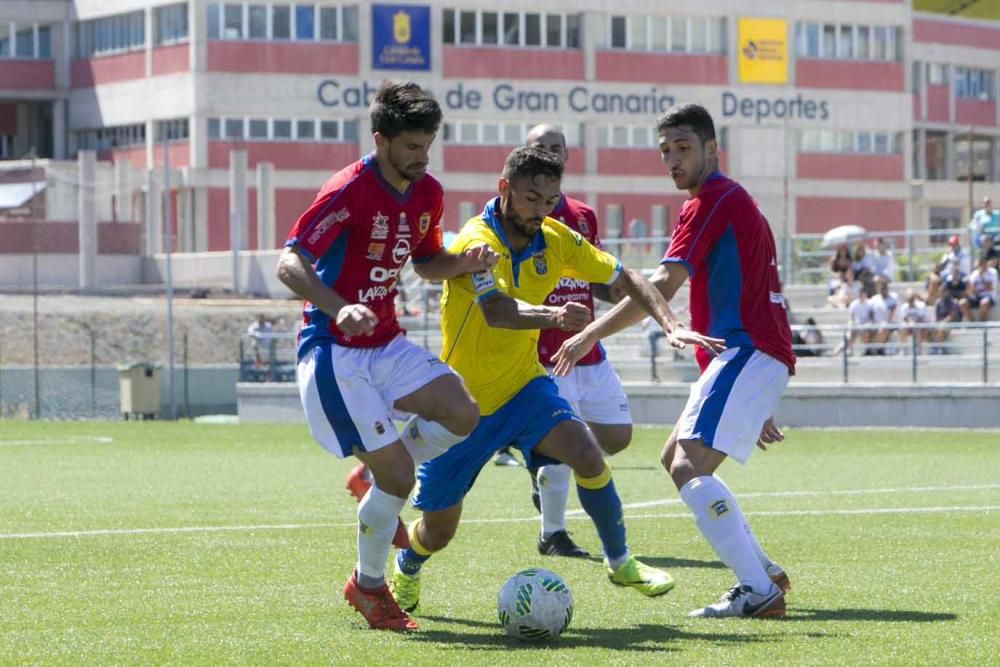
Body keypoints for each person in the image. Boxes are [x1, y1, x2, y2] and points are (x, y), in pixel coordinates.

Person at [389, 146, 725, 614]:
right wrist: (554, 315)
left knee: (586, 451)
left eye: (550, 200)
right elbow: (498, 312)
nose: (540, 211)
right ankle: (408, 563)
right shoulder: (475, 242)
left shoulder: (555, 237)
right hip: (462, 407)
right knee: (438, 531)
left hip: (526, 388)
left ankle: (621, 560)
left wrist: (670, 323)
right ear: (504, 189)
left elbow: (624, 276)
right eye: (530, 199)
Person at [551, 104, 795, 618]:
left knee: (688, 465)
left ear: (712, 149)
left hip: (746, 351)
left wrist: (589, 331)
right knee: (674, 459)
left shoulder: (710, 199)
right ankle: (764, 571)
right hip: (749, 355)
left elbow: (662, 282)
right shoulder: (734, 200)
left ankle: (757, 589)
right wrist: (757, 393)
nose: (673, 160)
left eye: (683, 147)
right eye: (665, 151)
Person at [275, 81, 497, 632]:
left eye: (428, 146)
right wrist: (337, 307)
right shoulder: (348, 189)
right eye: (412, 147)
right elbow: (290, 262)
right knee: (398, 477)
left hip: (385, 342)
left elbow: (426, 262)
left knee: (462, 412)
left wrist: (464, 262)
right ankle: (369, 587)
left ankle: (372, 478)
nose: (422, 157)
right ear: (381, 141)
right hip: (334, 352)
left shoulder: (428, 193)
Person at [522, 124, 633, 559]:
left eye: (556, 148)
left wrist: (624, 291)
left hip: (587, 345)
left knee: (618, 436)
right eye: (539, 148)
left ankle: (536, 455)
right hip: (544, 351)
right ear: (524, 155)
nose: (549, 154)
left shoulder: (583, 214)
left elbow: (596, 277)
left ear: (566, 156)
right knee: (563, 441)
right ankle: (553, 531)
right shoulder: (516, 216)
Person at [966, 255, 998, 321]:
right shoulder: (974, 273)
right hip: (977, 297)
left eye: (983, 263)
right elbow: (970, 289)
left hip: (989, 296)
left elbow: (989, 288)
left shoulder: (993, 272)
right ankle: (972, 323)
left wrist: (981, 277)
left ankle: (982, 324)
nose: (981, 265)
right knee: (962, 303)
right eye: (980, 263)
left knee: (983, 303)